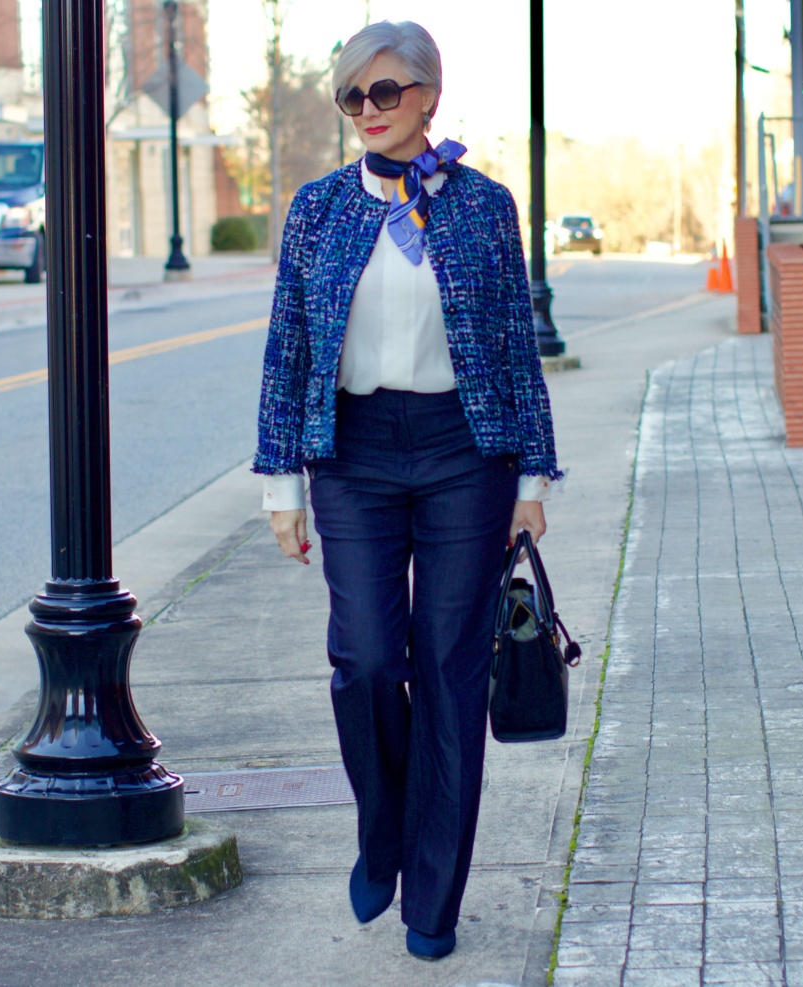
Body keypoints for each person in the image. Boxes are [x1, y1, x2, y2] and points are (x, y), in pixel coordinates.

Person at [252, 19, 561, 962]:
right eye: (352, 97)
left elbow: (514, 342)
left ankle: (434, 900)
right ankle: (382, 832)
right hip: (353, 455)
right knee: (368, 655)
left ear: (429, 95)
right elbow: (290, 346)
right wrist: (281, 484)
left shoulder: (483, 205)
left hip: (466, 453)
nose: (368, 112)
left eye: (386, 93)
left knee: (452, 671)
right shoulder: (316, 210)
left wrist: (533, 473)